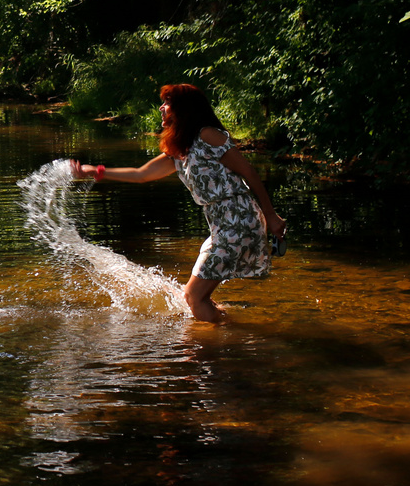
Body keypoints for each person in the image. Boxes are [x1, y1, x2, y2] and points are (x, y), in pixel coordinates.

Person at [70, 83, 287, 323]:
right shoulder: (180, 149)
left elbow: (249, 172)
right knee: (192, 295)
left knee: (194, 297)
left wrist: (271, 215)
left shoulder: (207, 135)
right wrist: (97, 172)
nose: (161, 108)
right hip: (222, 225)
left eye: (167, 103)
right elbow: (141, 174)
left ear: (183, 109)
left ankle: (216, 348)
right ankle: (228, 333)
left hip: (238, 220)